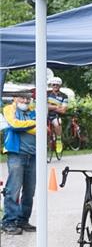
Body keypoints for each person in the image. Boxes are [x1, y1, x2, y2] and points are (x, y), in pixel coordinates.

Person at [2, 92, 38, 235]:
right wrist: (34, 123)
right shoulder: (8, 109)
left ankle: (23, 220)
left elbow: (42, 129)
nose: (25, 100)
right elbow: (14, 125)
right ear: (14, 99)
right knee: (13, 189)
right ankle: (8, 221)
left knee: (29, 191)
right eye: (21, 97)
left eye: (27, 98)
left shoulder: (33, 111)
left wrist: (27, 126)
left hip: (33, 155)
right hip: (16, 154)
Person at [45, 77, 66, 160]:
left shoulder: (64, 96)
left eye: (57, 85)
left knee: (58, 123)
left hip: (55, 116)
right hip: (44, 115)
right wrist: (57, 106)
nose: (55, 86)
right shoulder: (46, 93)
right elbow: (44, 105)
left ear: (60, 86)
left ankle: (58, 140)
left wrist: (50, 107)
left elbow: (63, 110)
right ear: (51, 85)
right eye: (53, 85)